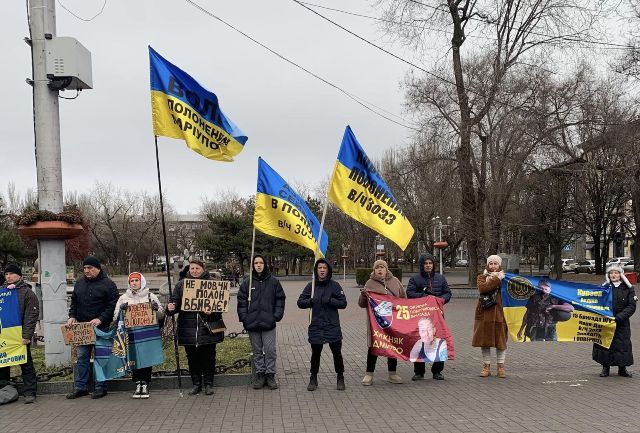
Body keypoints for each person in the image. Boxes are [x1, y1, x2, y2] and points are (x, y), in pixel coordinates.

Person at [167, 260, 224, 396]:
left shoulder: (212, 284)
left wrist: (212, 311)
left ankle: (208, 384)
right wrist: (170, 308)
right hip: (188, 328)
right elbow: (174, 302)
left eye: (197, 268)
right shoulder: (181, 285)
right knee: (192, 358)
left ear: (203, 269)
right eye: (192, 268)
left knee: (209, 357)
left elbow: (220, 307)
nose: (195, 271)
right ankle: (196, 384)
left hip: (207, 328)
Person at [66, 256, 119, 399]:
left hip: (101, 327)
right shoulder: (79, 283)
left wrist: (101, 319)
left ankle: (101, 387)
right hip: (83, 327)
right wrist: (72, 316)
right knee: (82, 357)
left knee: (101, 357)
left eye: (90, 268)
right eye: (85, 268)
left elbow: (112, 305)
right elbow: (74, 302)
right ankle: (80, 387)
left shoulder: (109, 284)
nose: (87, 271)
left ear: (98, 269)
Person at [297, 258, 347, 391]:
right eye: (320, 268)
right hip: (316, 325)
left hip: (332, 325)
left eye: (324, 268)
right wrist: (311, 301)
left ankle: (340, 377)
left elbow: (343, 303)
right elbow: (300, 302)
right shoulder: (311, 286)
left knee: (337, 353)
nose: (322, 270)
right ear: (316, 270)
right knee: (315, 354)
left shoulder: (334, 285)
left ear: (328, 270)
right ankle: (313, 378)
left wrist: (330, 300)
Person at [237, 254, 286, 390]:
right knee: (257, 351)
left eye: (261, 263)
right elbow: (241, 301)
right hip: (252, 323)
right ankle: (260, 375)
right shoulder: (247, 282)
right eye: (256, 263)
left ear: (265, 265)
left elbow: (280, 299)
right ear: (253, 265)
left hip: (268, 323)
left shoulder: (274, 282)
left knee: (270, 350)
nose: (258, 265)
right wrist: (244, 318)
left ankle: (270, 375)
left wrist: (276, 316)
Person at [113, 272, 163, 398]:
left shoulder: (151, 296)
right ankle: (137, 383)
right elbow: (115, 318)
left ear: (142, 282)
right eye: (132, 281)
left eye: (137, 280)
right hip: (132, 333)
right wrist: (121, 311)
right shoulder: (123, 298)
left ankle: (145, 383)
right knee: (133, 358)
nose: (134, 283)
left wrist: (156, 309)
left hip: (147, 333)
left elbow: (161, 315)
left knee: (147, 358)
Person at [358, 259, 406, 385]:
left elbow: (403, 300)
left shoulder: (395, 282)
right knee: (373, 347)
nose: (380, 270)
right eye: (377, 268)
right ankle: (369, 374)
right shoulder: (369, 283)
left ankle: (392, 373)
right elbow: (361, 304)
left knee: (392, 345)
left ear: (386, 269)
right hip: (376, 324)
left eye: (382, 267)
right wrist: (363, 295)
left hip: (393, 322)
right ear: (374, 270)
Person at [406, 253, 451, 380]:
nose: (428, 265)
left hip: (438, 316)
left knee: (439, 341)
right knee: (420, 341)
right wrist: (425, 298)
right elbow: (409, 293)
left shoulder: (440, 278)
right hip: (421, 316)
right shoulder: (415, 279)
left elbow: (447, 293)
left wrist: (441, 300)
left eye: (430, 263)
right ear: (422, 265)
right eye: (425, 263)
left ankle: (437, 371)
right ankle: (419, 372)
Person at [0, 264, 39, 404]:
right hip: (5, 336)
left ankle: (30, 392)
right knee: (3, 363)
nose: (8, 276)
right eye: (6, 274)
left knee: (26, 363)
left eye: (11, 274)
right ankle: (4, 388)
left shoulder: (27, 293)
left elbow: (31, 315)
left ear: (20, 276)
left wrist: (27, 335)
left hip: (20, 336)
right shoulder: (2, 291)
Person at [593, 264, 637, 378]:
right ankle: (605, 368)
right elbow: (597, 303)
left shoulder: (628, 289)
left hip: (622, 323)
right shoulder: (604, 288)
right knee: (605, 344)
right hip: (606, 322)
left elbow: (631, 306)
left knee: (622, 345)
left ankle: (622, 369)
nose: (614, 275)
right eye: (611, 273)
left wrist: (619, 317)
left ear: (620, 275)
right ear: (608, 275)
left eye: (616, 272)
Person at [472, 255, 508, 378]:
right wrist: (497, 279)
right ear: (487, 265)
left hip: (500, 313)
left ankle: (500, 366)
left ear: (499, 265)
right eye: (491, 263)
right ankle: (486, 366)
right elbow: (483, 288)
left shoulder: (506, 279)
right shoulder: (482, 277)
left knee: (501, 340)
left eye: (495, 264)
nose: (493, 266)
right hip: (484, 313)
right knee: (485, 340)